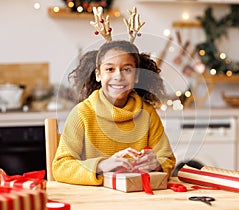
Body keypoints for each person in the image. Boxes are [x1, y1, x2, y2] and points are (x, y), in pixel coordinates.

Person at [52, 40, 176, 185]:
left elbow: (168, 159)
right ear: (98, 75)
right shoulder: (82, 113)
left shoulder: (147, 113)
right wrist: (101, 165)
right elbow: (61, 166)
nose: (118, 76)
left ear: (136, 77)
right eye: (110, 69)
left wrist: (157, 164)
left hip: (137, 197)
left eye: (127, 70)